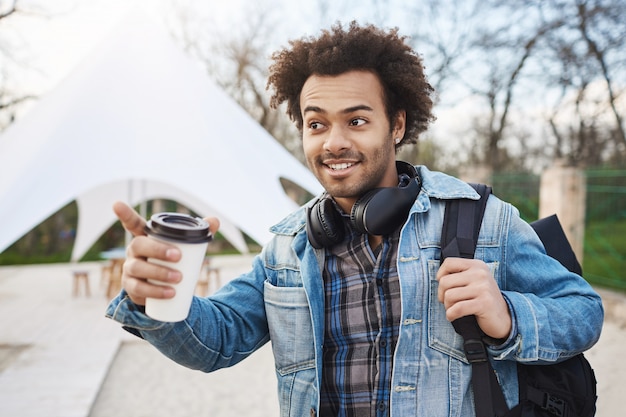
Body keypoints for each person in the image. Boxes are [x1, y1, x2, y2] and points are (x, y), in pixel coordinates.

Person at [106, 21, 603, 417]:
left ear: (399, 125)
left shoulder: (482, 220)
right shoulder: (288, 245)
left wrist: (509, 316)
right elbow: (216, 343)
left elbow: (582, 310)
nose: (334, 142)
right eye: (317, 123)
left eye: (357, 120)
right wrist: (158, 297)